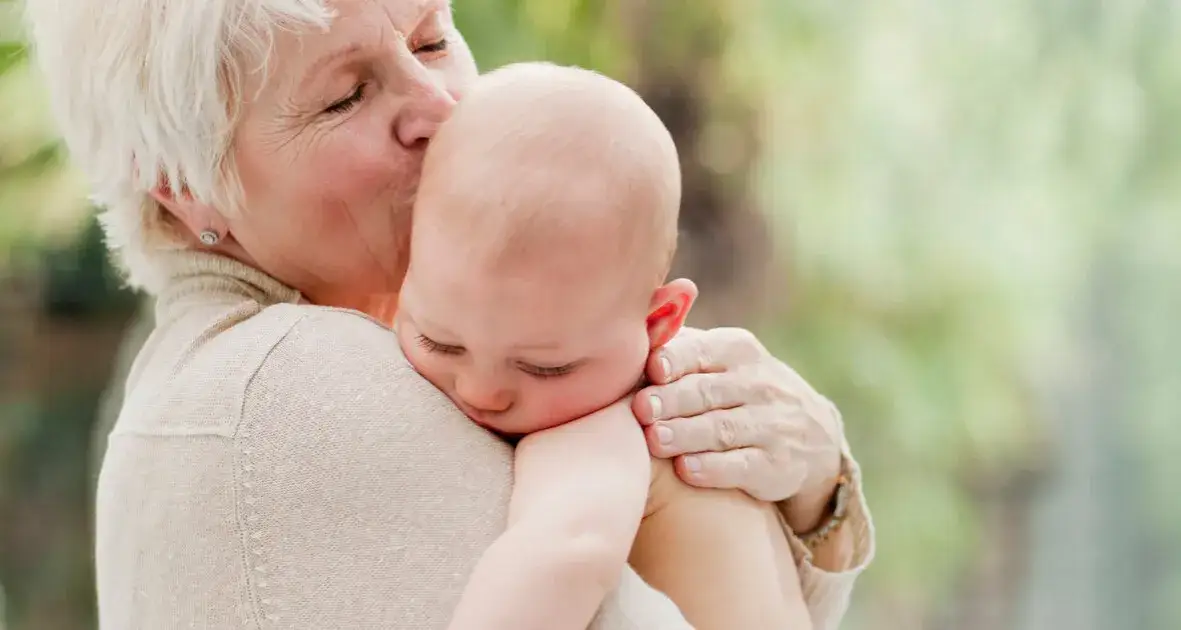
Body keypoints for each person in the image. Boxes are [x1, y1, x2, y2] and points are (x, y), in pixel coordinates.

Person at [24, 0, 875, 628]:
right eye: (344, 96)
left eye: (432, 38)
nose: (438, 106)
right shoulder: (292, 386)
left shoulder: (377, 354)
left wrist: (813, 491)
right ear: (181, 182)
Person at [403, 61, 809, 630]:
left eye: (545, 367)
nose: (482, 391)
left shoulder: (617, 424)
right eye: (438, 340)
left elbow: (567, 552)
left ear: (659, 322)